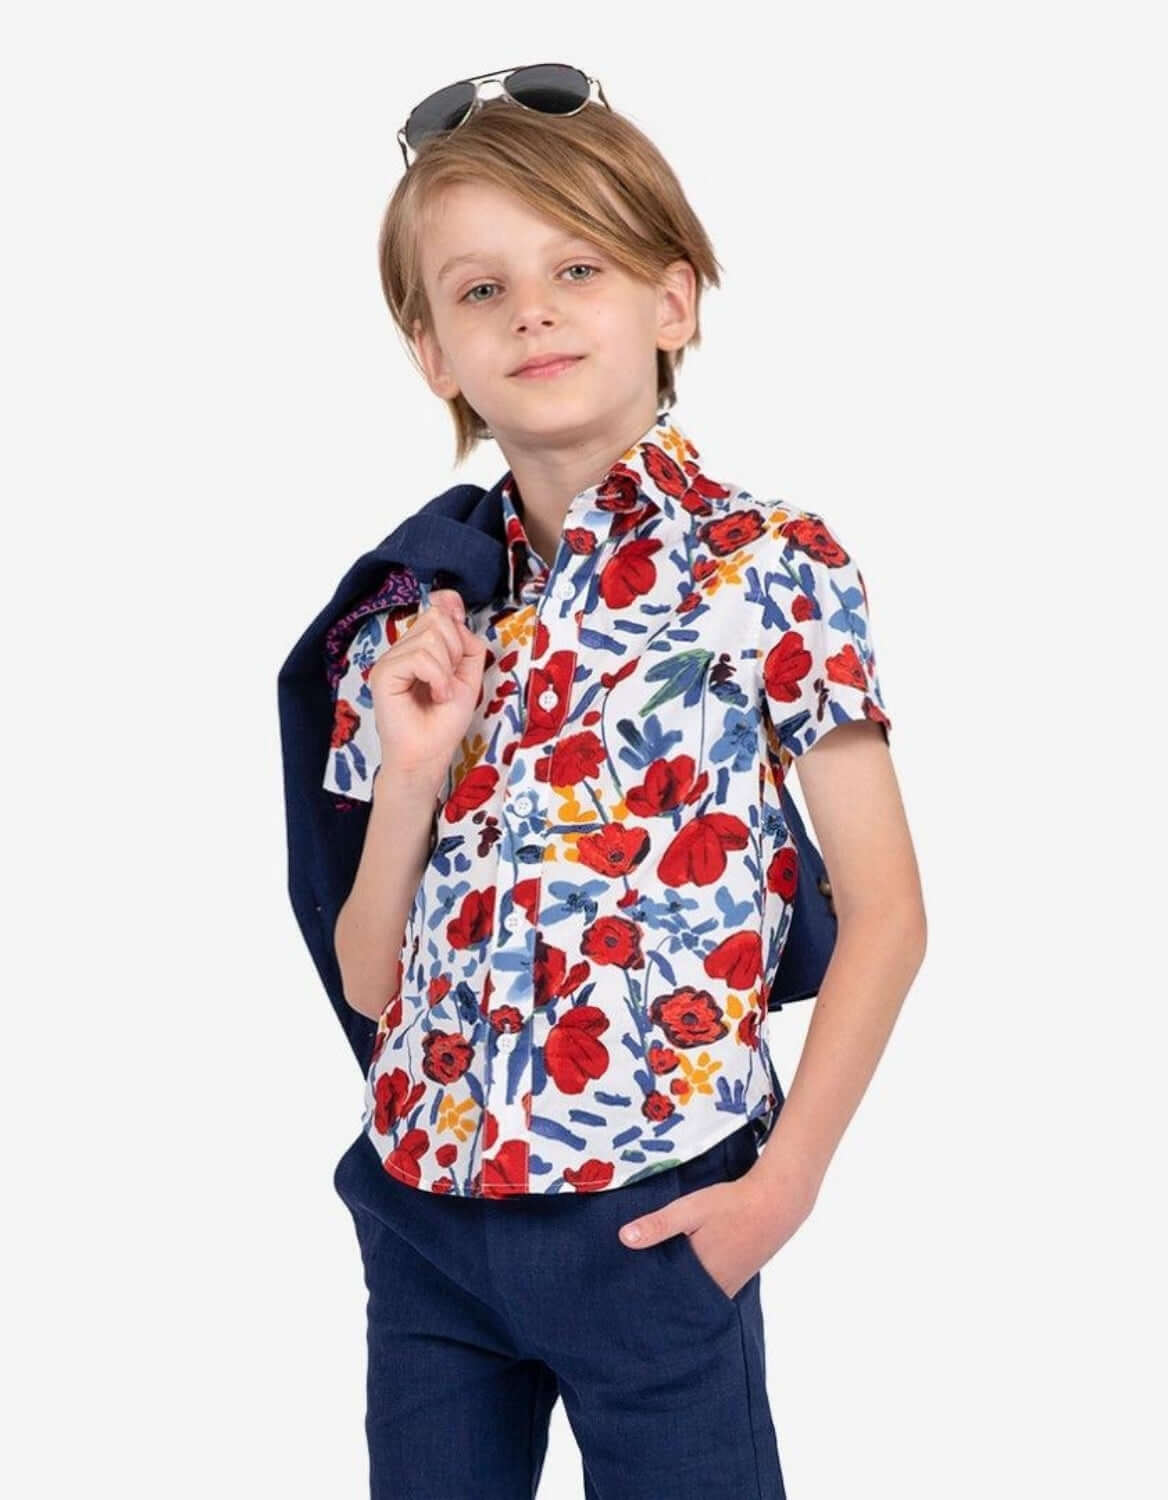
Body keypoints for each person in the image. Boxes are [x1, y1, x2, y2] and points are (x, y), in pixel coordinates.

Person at [324, 66, 926, 1500]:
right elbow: (368, 979)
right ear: (434, 354)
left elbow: (891, 912)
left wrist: (777, 1193)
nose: (531, 312)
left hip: (653, 1225)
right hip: (424, 1224)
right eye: (481, 289)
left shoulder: (767, 566)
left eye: (576, 267)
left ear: (671, 302)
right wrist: (411, 774)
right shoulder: (416, 617)